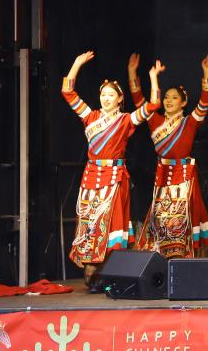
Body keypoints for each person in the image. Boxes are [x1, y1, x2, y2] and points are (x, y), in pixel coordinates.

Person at [62, 51, 160, 291]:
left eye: (110, 95)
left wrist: (153, 77)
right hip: (91, 178)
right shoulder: (90, 117)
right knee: (90, 223)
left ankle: (108, 273)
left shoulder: (126, 120)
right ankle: (91, 270)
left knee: (111, 225)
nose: (106, 98)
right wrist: (76, 63)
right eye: (103, 94)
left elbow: (153, 105)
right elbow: (67, 91)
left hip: (114, 179)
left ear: (119, 99)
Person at [129, 54, 208, 258]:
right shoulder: (155, 120)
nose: (168, 101)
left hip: (184, 176)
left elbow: (205, 101)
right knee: (161, 217)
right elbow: (138, 100)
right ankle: (161, 258)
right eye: (166, 97)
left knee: (183, 218)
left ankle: (184, 257)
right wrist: (133, 72)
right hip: (163, 176)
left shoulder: (190, 122)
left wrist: (206, 72)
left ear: (184, 102)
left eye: (174, 97)